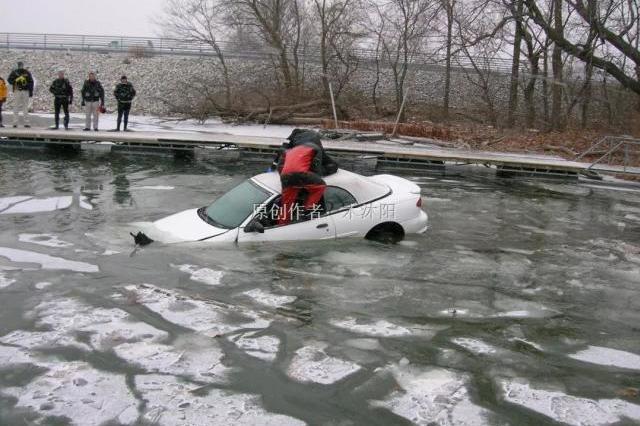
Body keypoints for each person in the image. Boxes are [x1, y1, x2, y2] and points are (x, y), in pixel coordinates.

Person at [276, 129, 338, 225]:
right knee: (320, 186)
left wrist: (285, 176)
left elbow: (279, 166)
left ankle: (281, 224)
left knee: (286, 205)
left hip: (285, 176)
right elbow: (316, 168)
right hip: (301, 173)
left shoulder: (289, 151)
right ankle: (307, 211)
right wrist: (314, 178)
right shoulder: (315, 148)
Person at [7, 61, 34, 128]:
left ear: (23, 65)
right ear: (17, 65)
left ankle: (26, 123)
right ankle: (15, 123)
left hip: (25, 91)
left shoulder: (26, 72)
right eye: (19, 65)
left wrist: (30, 91)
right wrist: (15, 81)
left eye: (21, 65)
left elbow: (31, 82)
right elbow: (9, 80)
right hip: (17, 90)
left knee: (25, 107)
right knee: (16, 107)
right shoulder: (14, 72)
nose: (20, 66)